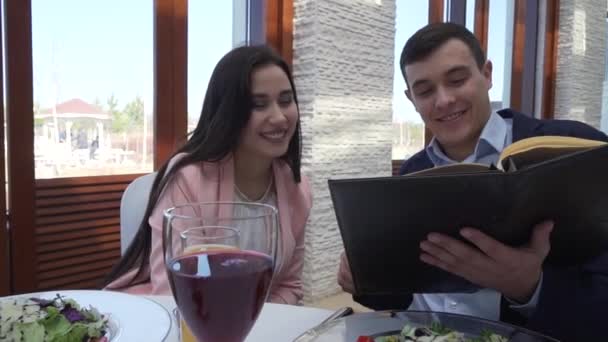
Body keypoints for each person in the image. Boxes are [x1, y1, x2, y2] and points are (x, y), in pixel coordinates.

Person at [338, 22, 608, 341]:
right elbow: (411, 294)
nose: (444, 100)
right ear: (411, 99)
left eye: (457, 79)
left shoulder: (573, 146)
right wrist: (365, 279)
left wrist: (531, 288)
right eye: (425, 91)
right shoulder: (413, 171)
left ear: (487, 74)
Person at [104, 45, 312, 305]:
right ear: (229, 112)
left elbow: (289, 285)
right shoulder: (187, 179)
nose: (280, 117)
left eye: (285, 100)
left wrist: (255, 323)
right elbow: (175, 292)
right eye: (259, 105)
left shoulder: (298, 187)